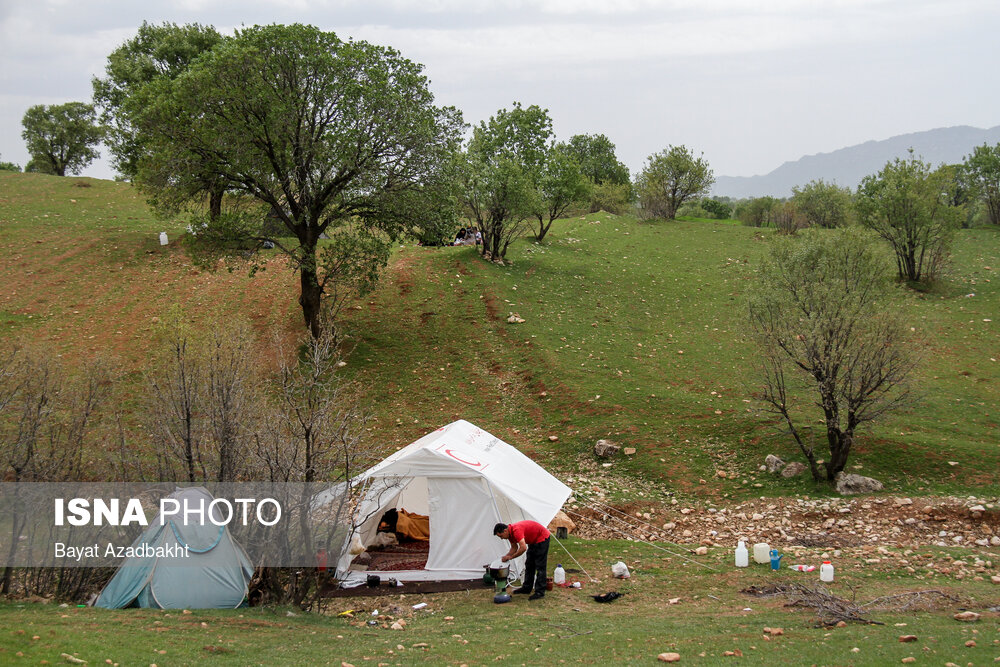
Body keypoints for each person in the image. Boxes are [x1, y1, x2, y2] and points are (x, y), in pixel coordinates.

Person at [493, 520, 550, 600]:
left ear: (505, 530)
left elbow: (523, 548)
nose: (502, 538)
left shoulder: (516, 530)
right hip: (533, 541)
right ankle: (526, 588)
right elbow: (514, 547)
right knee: (529, 565)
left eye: (501, 536)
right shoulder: (510, 533)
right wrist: (507, 556)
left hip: (542, 538)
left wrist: (511, 557)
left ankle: (540, 592)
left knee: (540, 566)